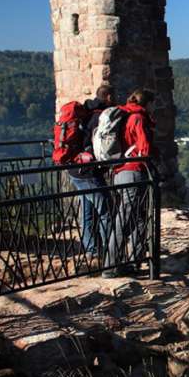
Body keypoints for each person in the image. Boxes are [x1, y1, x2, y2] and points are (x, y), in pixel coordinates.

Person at [103, 88, 157, 278]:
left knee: (138, 218)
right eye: (152, 103)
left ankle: (132, 262)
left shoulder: (126, 115)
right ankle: (110, 265)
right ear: (147, 103)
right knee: (125, 217)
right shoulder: (138, 118)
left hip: (121, 171)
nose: (154, 107)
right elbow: (145, 148)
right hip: (133, 172)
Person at [68, 85, 115, 256]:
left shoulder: (86, 112)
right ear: (108, 97)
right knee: (106, 211)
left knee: (87, 212)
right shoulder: (101, 117)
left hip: (74, 168)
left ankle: (92, 250)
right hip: (88, 171)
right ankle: (111, 253)